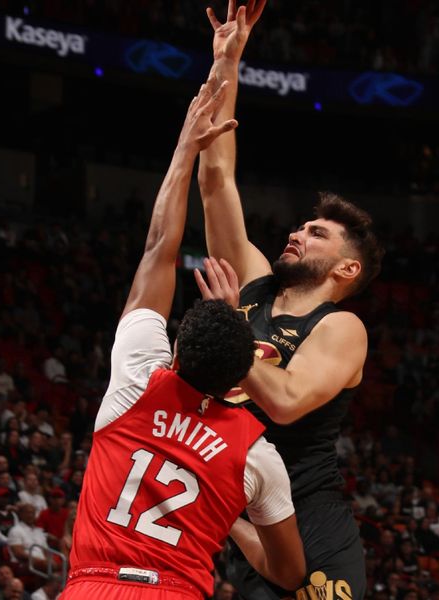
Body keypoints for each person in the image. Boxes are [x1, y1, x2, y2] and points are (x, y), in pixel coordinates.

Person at [60, 77, 305, 600]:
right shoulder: (255, 454)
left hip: (92, 588)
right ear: (242, 373)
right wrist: (230, 518)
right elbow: (289, 574)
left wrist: (184, 149)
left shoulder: (135, 380)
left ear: (174, 351)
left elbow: (158, 251)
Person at [196, 4, 384, 600]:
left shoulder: (342, 326)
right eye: (302, 226)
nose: (298, 233)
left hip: (310, 521)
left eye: (318, 233)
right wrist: (228, 62)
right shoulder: (256, 283)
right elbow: (216, 179)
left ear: (347, 269)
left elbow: (284, 403)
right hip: (246, 511)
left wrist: (226, 331)